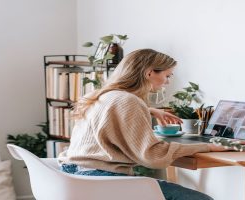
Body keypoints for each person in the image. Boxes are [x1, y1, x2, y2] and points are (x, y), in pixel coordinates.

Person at [58, 49, 229, 200]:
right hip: (101, 179)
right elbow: (153, 156)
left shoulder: (105, 95)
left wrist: (149, 110)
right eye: (167, 75)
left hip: (74, 176)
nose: (167, 82)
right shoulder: (129, 101)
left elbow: (112, 116)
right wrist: (207, 147)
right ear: (149, 73)